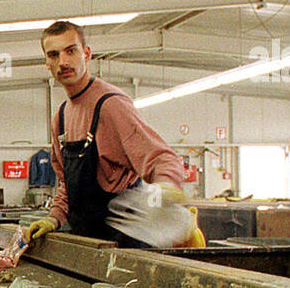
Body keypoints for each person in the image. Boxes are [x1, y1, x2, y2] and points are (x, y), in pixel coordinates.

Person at [25, 21, 188, 247]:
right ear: (47, 63)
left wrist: (166, 187)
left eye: (71, 51)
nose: (63, 62)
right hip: (87, 244)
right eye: (53, 55)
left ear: (87, 54)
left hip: (124, 246)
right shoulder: (60, 117)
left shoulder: (111, 105)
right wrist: (54, 217)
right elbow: (66, 184)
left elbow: (161, 158)